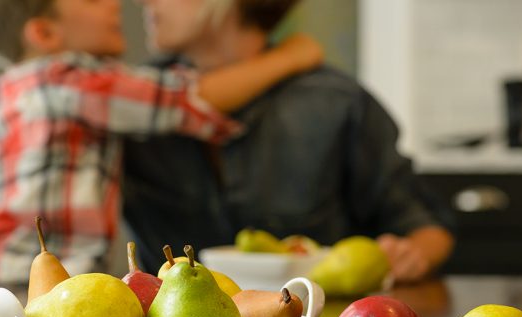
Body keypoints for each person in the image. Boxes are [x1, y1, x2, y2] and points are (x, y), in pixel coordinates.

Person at [0, 0, 323, 317]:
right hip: (30, 294)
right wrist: (290, 57)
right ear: (45, 33)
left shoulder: (14, 99)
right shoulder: (67, 80)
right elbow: (190, 99)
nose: (115, 3)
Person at [123, 0, 456, 283]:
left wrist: (410, 255)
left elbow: (427, 227)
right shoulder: (129, 107)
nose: (144, 1)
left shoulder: (336, 104)